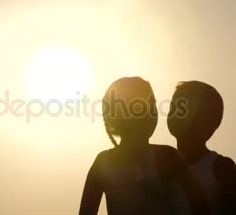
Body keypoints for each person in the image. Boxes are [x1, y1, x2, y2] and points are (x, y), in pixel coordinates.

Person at [79, 77, 206, 215]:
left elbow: (200, 205)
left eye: (153, 106)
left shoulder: (168, 155)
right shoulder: (102, 164)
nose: (152, 113)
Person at [167, 81, 236, 214]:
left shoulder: (221, 167)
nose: (176, 111)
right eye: (173, 105)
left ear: (209, 123)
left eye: (184, 108)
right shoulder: (159, 166)